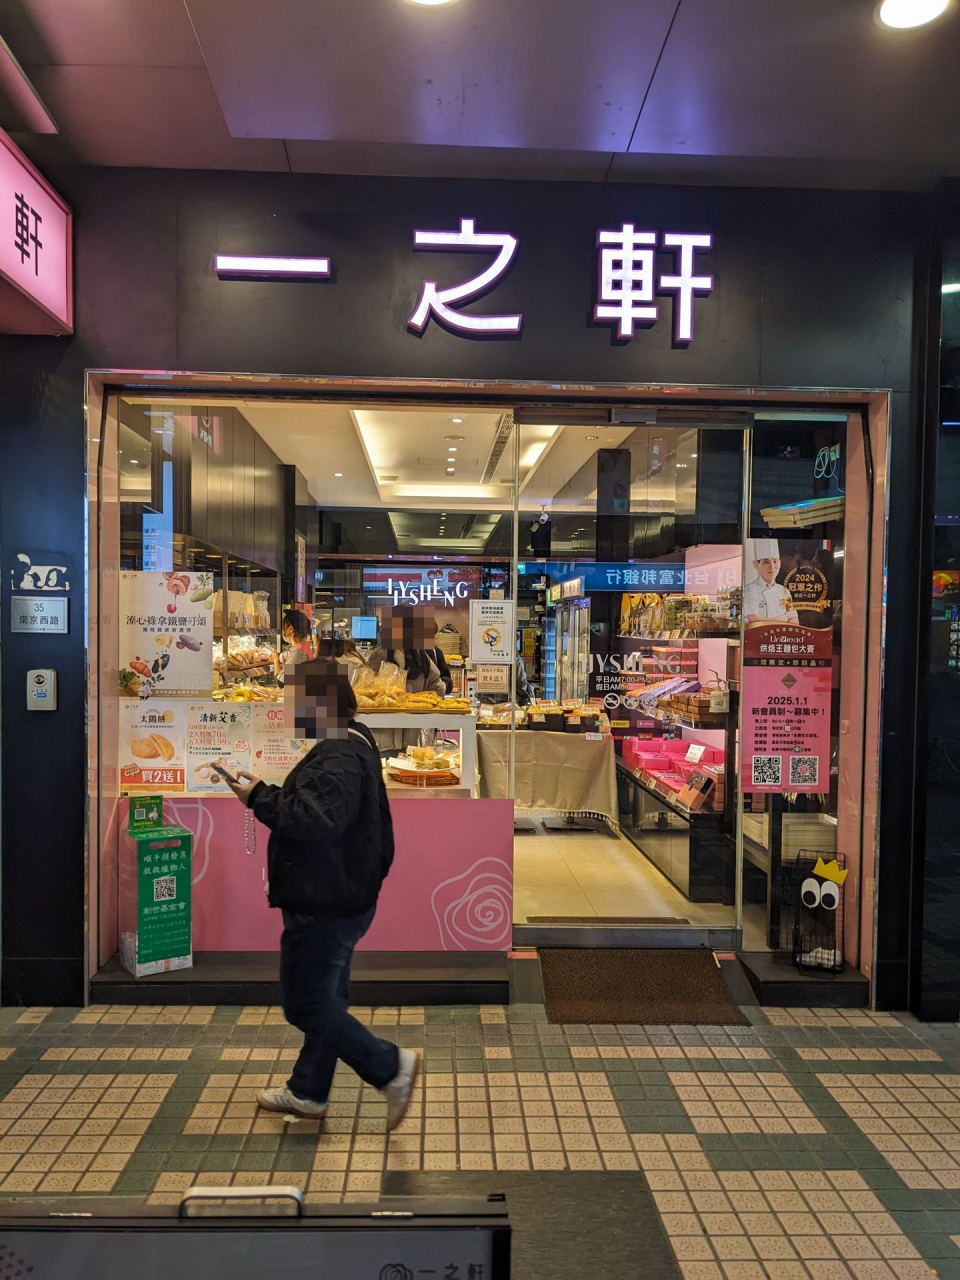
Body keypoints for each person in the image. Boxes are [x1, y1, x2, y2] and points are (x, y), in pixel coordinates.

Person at [225, 659, 419, 1126]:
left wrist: (258, 797)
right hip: (344, 891)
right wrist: (265, 791)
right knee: (327, 996)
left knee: (307, 1003)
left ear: (317, 703)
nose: (288, 711)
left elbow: (314, 820)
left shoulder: (338, 755)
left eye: (294, 701)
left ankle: (390, 1067)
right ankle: (308, 1090)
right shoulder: (354, 740)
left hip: (326, 898)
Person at [742, 538, 799, 624]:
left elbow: (794, 620)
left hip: (781, 633)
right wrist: (783, 619)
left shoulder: (784, 591)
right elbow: (754, 620)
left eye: (775, 561)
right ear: (757, 564)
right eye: (766, 562)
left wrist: (766, 620)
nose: (772, 566)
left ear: (780, 563)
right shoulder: (750, 590)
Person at [273, 608, 315, 682]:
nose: (283, 630)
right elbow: (287, 655)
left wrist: (275, 660)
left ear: (291, 629)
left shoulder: (299, 652)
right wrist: (278, 657)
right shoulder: (303, 647)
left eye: (284, 627)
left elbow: (281, 682)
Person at [426, 620, 454, 695]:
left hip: (433, 697)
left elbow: (446, 677)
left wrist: (444, 685)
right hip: (408, 698)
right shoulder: (406, 653)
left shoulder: (436, 652)